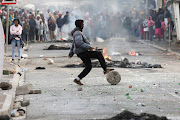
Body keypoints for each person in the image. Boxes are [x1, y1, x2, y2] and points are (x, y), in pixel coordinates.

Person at [68, 19, 114, 85]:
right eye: (83, 24)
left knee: (88, 67)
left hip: (81, 52)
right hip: (82, 52)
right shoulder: (78, 33)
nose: (83, 26)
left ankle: (77, 79)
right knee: (98, 54)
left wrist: (71, 53)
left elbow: (73, 44)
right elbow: (78, 43)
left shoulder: (77, 32)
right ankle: (105, 69)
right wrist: (88, 47)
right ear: (80, 25)